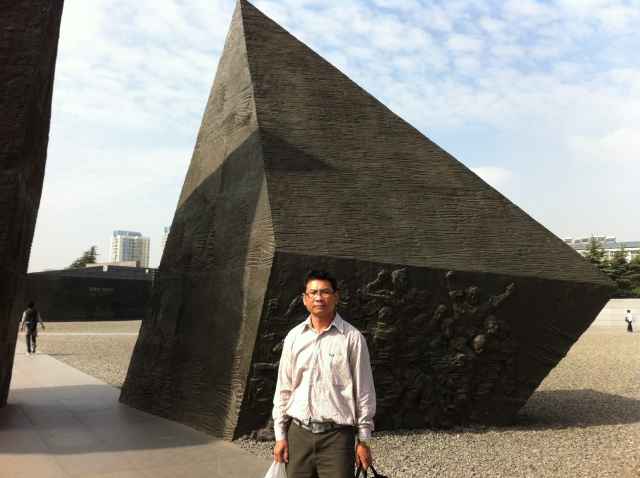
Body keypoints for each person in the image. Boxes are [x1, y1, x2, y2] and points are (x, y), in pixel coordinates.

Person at [272, 270, 376, 477]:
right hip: (298, 435)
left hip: (337, 438)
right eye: (313, 293)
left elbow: (364, 391)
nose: (318, 298)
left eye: (325, 292)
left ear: (336, 297)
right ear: (305, 299)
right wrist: (280, 436)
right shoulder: (294, 337)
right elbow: (284, 389)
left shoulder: (352, 338)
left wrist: (363, 440)